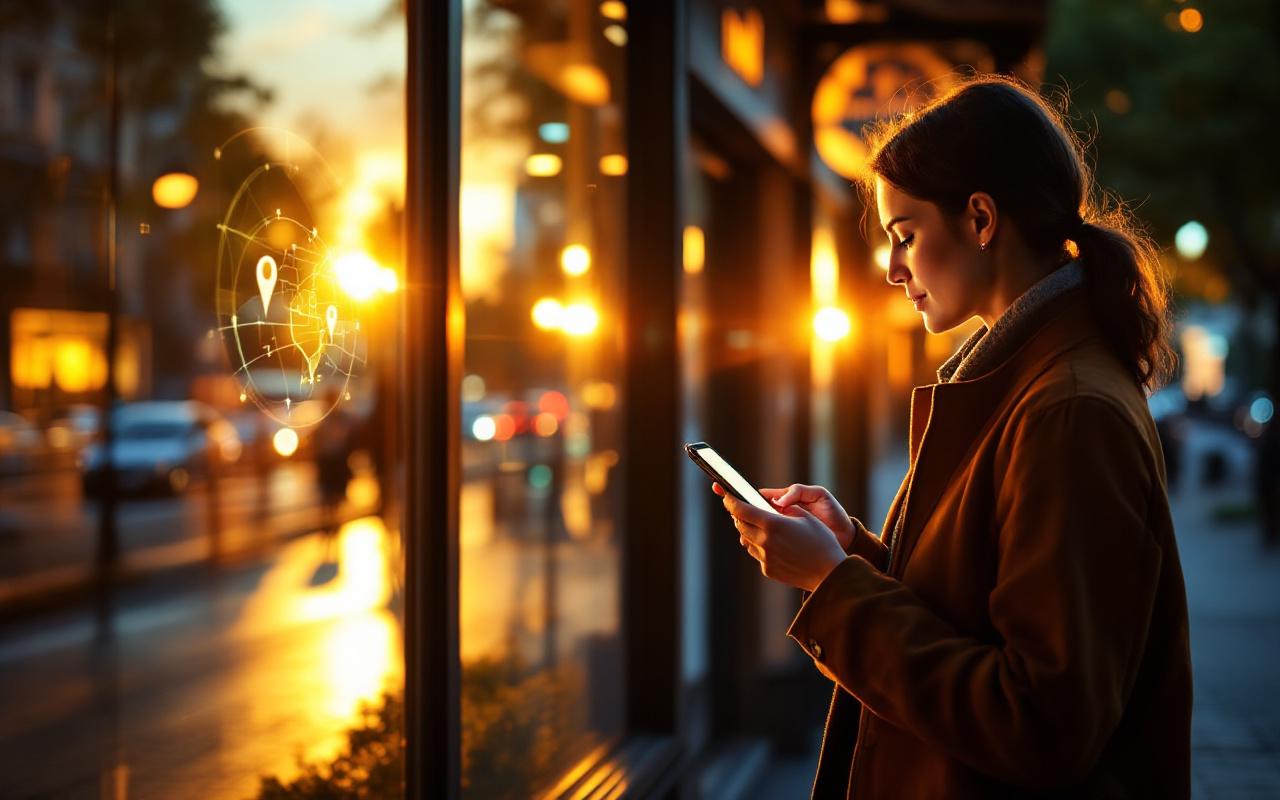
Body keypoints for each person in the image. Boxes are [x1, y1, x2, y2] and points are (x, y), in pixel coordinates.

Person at [713, 75, 1191, 799]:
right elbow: (981, 616)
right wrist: (857, 552)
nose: (892, 269)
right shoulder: (1025, 382)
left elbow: (1041, 724)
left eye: (905, 235)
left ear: (980, 219)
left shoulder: (1064, 410)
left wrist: (833, 585)